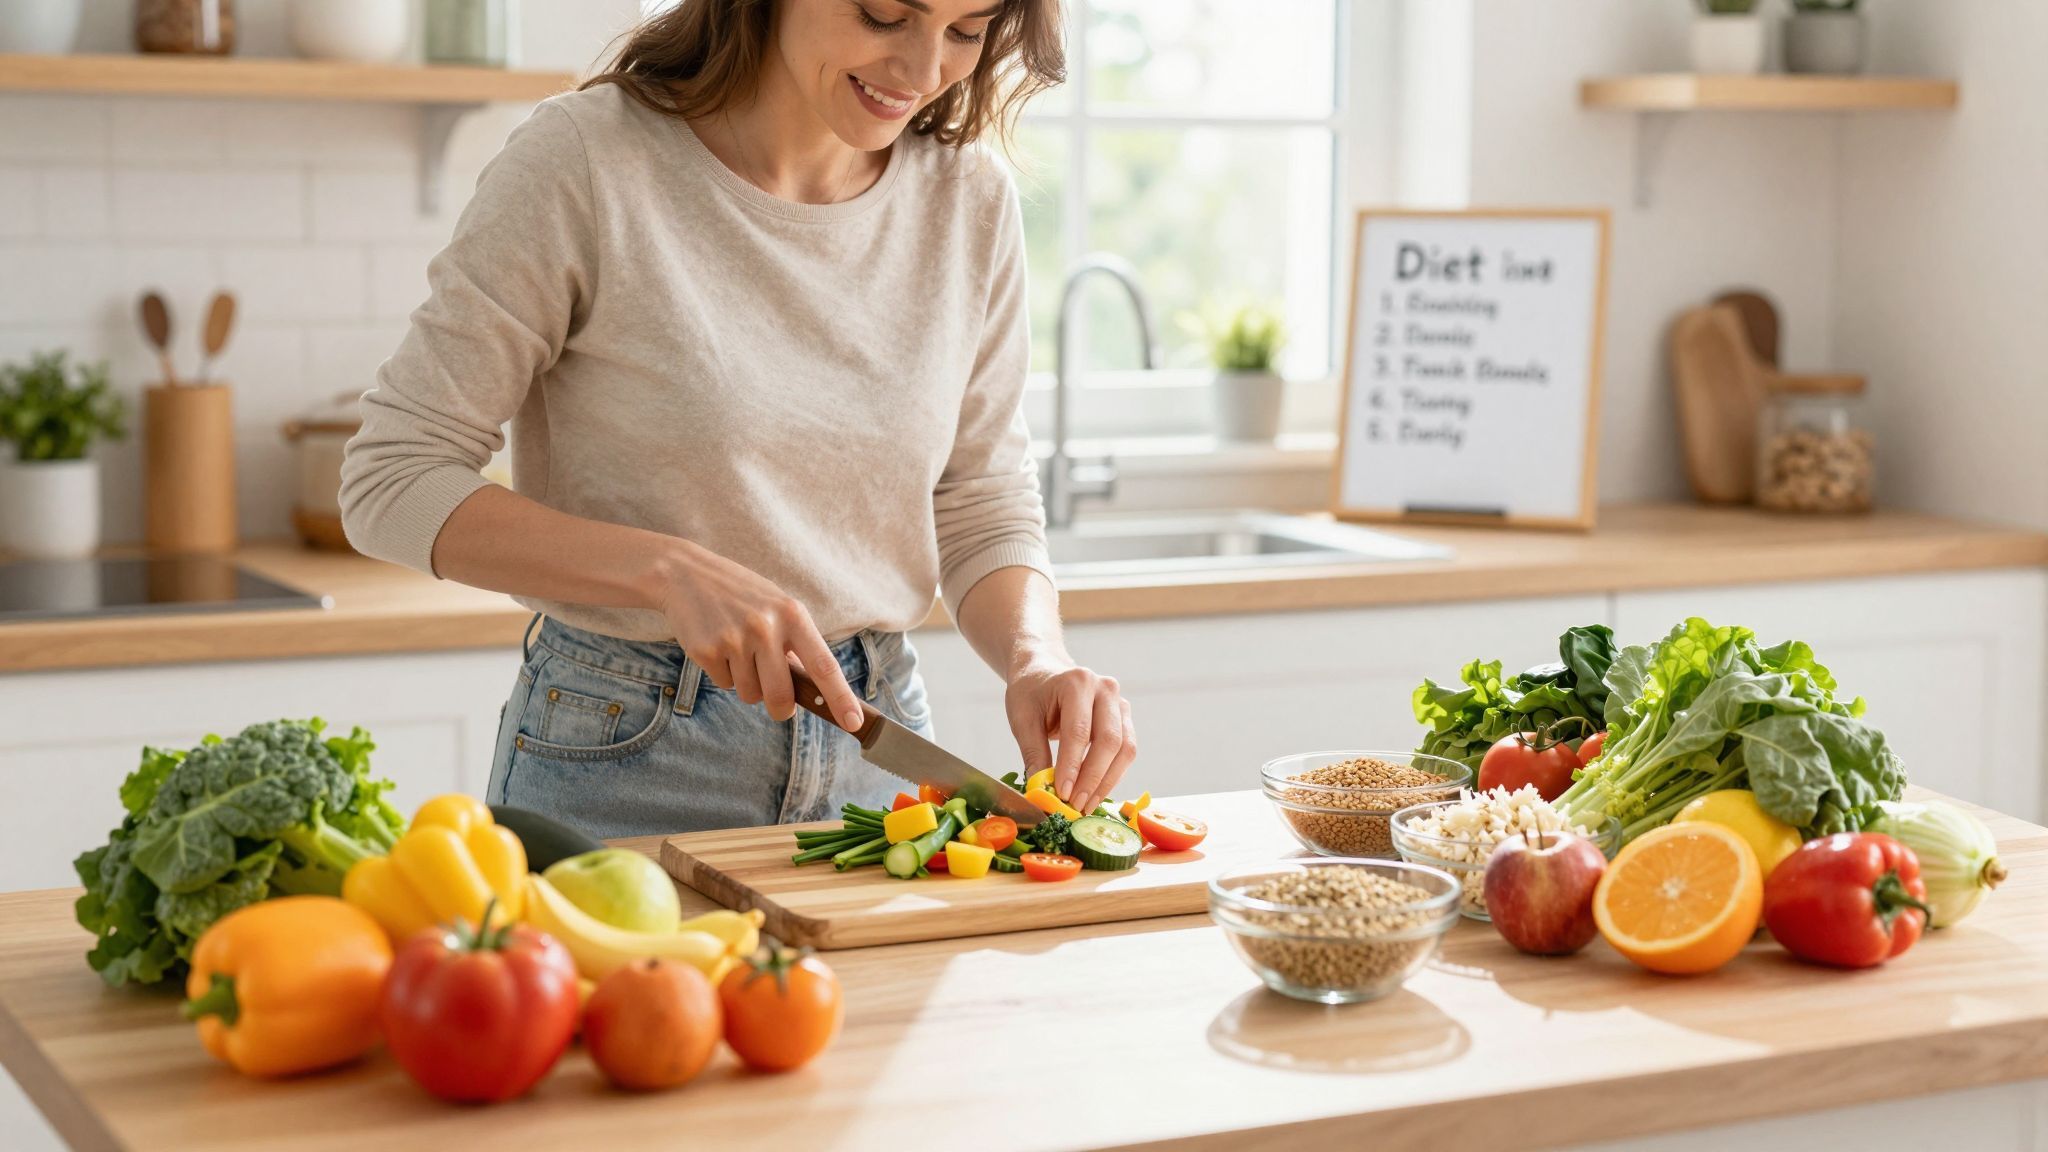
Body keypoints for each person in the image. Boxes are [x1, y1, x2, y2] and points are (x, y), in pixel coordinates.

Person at [339, 0, 1135, 839]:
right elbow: (392, 479)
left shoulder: (968, 199)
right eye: (884, 14)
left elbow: (980, 495)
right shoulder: (587, 161)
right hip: (626, 744)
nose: (922, 67)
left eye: (966, 32)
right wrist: (667, 573)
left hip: (881, 754)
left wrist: (1034, 656)